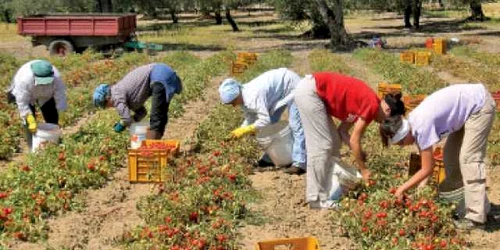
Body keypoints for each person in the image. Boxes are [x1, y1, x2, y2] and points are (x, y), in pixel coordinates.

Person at [379, 83, 495, 230]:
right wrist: (421, 188)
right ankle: (478, 206)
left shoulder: (421, 127)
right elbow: (427, 165)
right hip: (466, 110)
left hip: (479, 106)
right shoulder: (414, 123)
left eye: (401, 143)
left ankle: (476, 218)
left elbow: (427, 168)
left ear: (404, 134)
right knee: (450, 158)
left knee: (468, 159)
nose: (404, 146)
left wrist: (401, 189)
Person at [294, 72, 405, 209]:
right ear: (387, 110)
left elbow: (343, 132)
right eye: (385, 121)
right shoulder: (371, 105)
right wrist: (364, 170)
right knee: (322, 146)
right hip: (310, 92)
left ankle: (328, 189)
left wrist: (359, 153)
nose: (381, 123)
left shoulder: (368, 103)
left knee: (334, 142)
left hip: (314, 93)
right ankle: (316, 198)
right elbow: (354, 140)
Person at [218, 68, 306, 175]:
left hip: (290, 85)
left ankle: (299, 164)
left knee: (295, 125)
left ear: (236, 95)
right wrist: (239, 130)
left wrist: (247, 129)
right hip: (277, 93)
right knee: (268, 127)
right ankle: (270, 159)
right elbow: (250, 118)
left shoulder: (253, 96)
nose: (233, 105)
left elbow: (264, 119)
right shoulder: (242, 98)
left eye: (232, 102)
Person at [92, 63, 182, 139]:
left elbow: (126, 119)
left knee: (156, 118)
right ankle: (156, 146)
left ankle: (152, 149)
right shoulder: (122, 94)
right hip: (162, 72)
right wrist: (133, 119)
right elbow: (142, 112)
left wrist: (124, 124)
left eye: (106, 105)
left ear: (107, 98)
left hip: (159, 76)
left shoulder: (116, 96)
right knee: (160, 115)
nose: (109, 107)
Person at [7, 59, 67, 149]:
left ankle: (53, 141)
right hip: (28, 95)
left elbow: (60, 96)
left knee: (52, 116)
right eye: (41, 81)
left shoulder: (56, 77)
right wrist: (30, 118)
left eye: (47, 80)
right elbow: (22, 102)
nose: (44, 83)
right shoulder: (24, 79)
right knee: (30, 123)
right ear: (34, 76)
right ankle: (32, 146)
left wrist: (62, 113)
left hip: (47, 95)